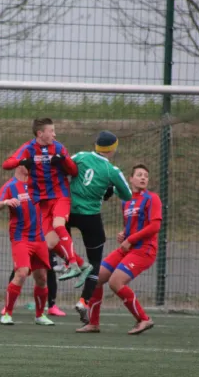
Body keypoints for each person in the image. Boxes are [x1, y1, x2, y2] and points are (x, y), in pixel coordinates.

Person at [2, 118, 91, 286]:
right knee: (48, 242)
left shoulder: (58, 147)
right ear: (40, 133)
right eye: (51, 131)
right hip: (41, 202)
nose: (54, 134)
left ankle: (72, 264)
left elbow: (74, 170)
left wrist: (63, 160)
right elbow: (7, 164)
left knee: (59, 225)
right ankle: (83, 265)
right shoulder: (28, 148)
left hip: (60, 196)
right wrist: (21, 161)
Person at [77, 164, 161, 335]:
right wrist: (124, 234)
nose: (143, 178)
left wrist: (131, 239)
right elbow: (132, 226)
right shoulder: (126, 200)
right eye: (139, 175)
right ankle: (93, 323)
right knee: (96, 277)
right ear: (131, 179)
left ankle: (143, 319)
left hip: (144, 250)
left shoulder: (152, 198)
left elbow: (154, 226)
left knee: (116, 282)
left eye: (146, 175)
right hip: (128, 248)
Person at [65, 131, 132, 324]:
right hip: (90, 217)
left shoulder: (80, 156)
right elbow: (127, 195)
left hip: (70, 212)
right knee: (95, 262)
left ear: (96, 145)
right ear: (113, 149)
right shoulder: (112, 170)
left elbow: (66, 168)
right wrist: (110, 188)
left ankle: (66, 262)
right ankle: (83, 301)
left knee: (60, 235)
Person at [0, 165, 55, 326]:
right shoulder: (10, 186)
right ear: (20, 166)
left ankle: (40, 315)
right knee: (21, 273)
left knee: (41, 278)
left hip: (39, 238)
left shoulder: (37, 185)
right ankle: (7, 313)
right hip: (21, 238)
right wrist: (6, 202)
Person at [1, 252, 66, 317]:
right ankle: (8, 307)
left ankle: (51, 306)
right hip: (27, 245)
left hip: (44, 246)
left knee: (49, 271)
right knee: (20, 270)